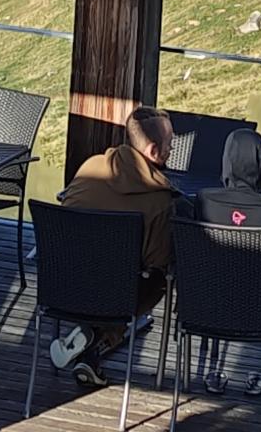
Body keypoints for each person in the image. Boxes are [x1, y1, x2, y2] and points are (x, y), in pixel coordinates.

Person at [47, 105, 179, 383]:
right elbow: (156, 263)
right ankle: (102, 335)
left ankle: (91, 347)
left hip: (62, 285)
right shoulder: (159, 200)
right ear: (153, 151)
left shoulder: (91, 166)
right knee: (159, 278)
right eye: (170, 144)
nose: (171, 150)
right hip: (116, 295)